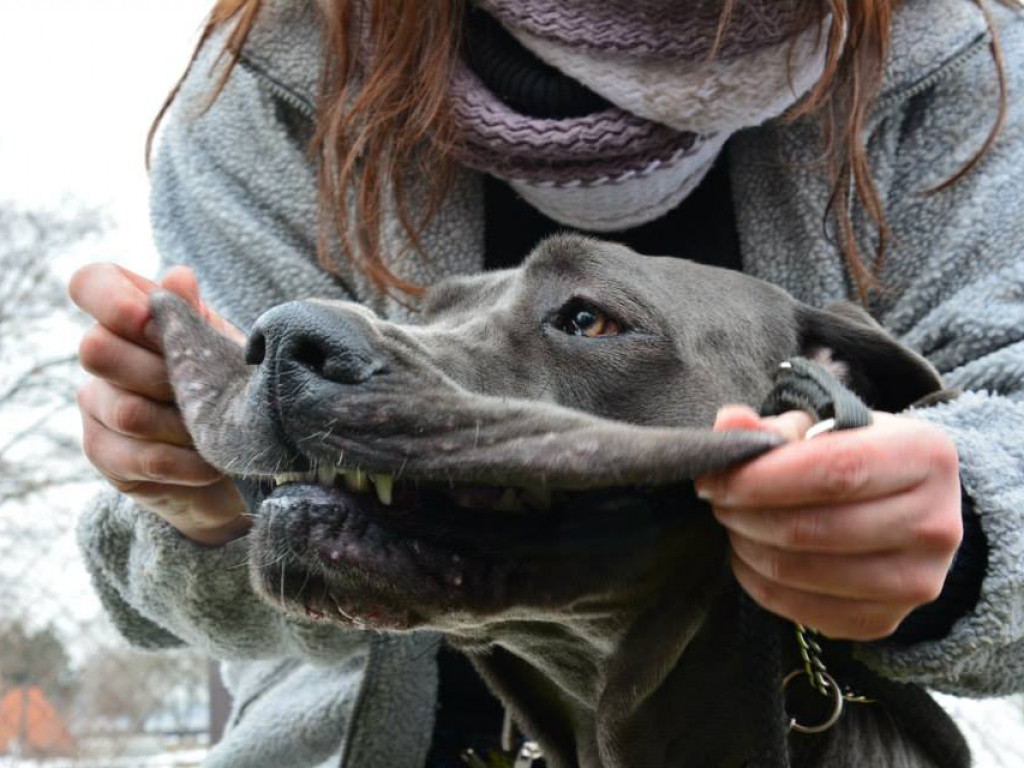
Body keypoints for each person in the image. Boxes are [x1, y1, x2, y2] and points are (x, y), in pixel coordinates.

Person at [68, 0, 1024, 766]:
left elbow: (1006, 417)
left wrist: (963, 542)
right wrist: (208, 499)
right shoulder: (275, 73)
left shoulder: (955, 60)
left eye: (585, 321)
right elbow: (193, 584)